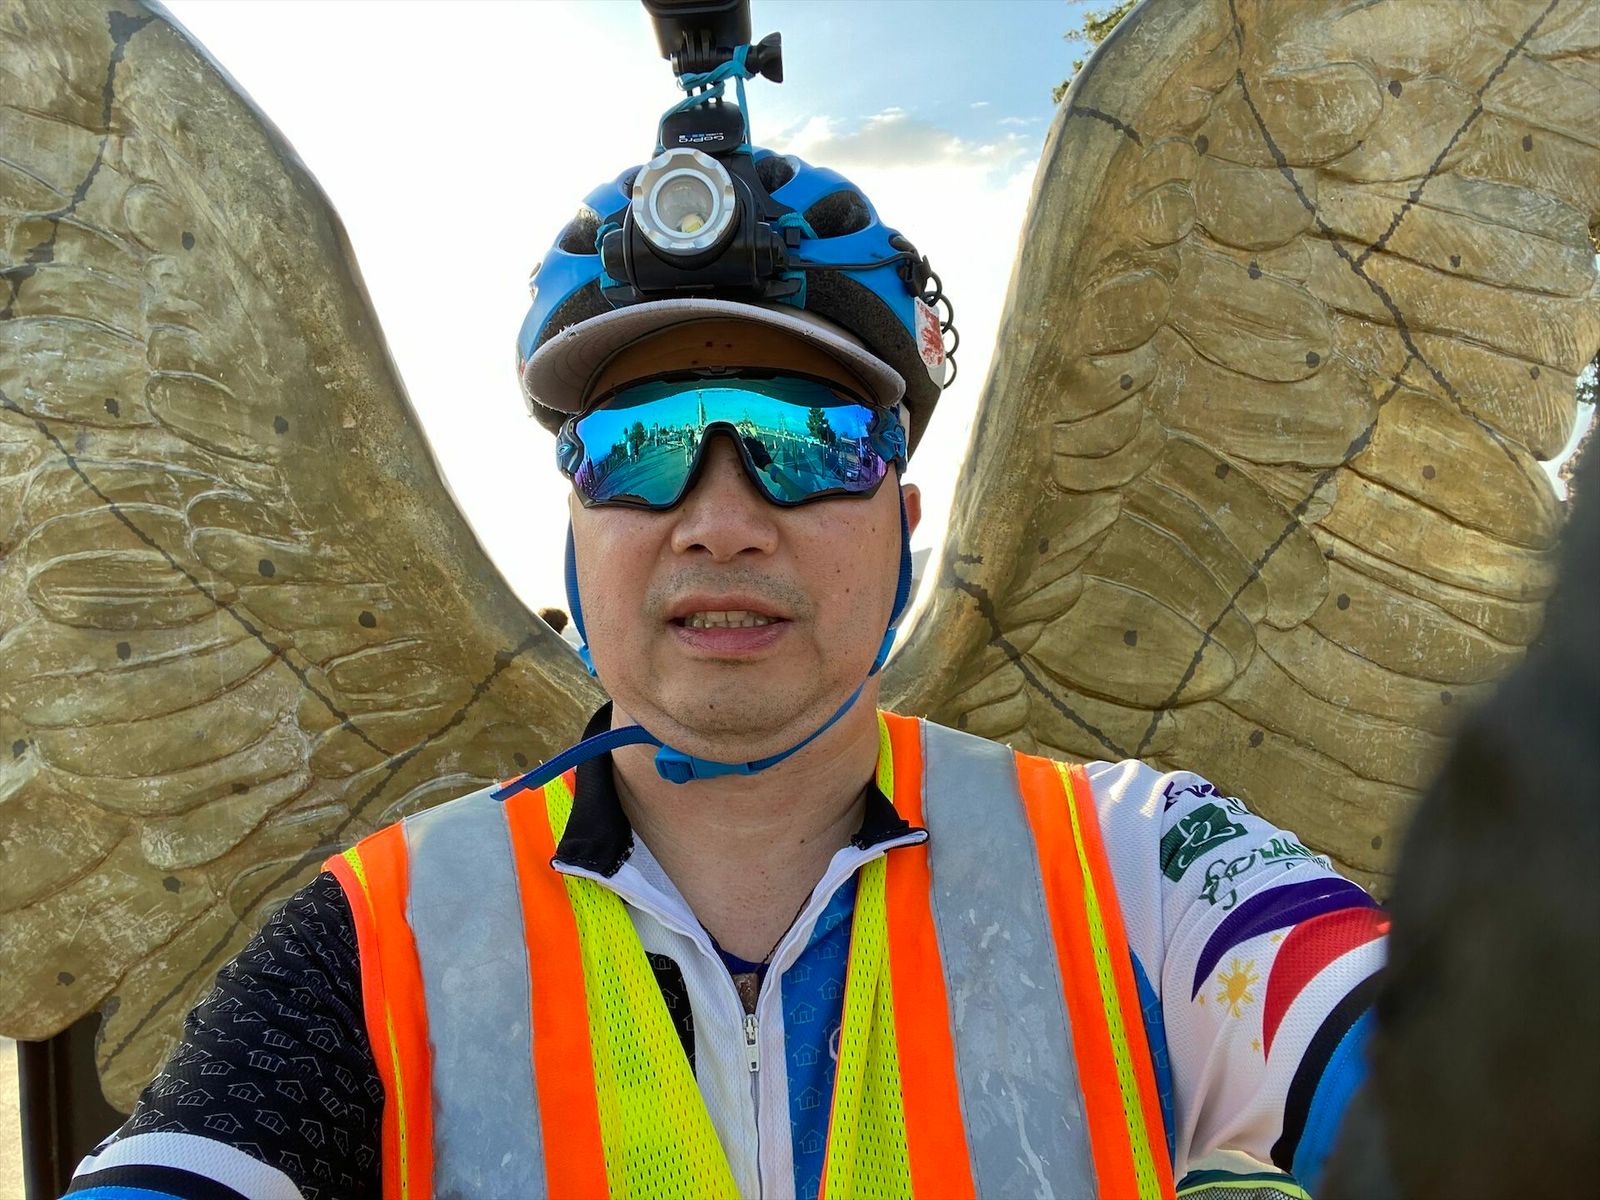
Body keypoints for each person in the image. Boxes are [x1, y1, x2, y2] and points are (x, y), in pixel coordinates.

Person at [64, 139, 1382, 1200]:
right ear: (576, 533)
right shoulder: (379, 935)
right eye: (638, 446)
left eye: (806, 441)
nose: (721, 522)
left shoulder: (1141, 867)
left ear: (902, 525)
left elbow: (1448, 1081)